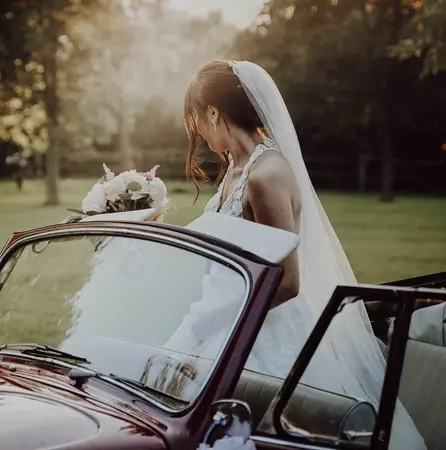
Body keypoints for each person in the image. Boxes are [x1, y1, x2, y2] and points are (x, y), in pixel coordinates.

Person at [175, 60, 425, 450]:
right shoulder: (235, 167)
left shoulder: (267, 174)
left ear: (213, 112)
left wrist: (223, 325)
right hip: (220, 319)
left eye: (197, 120)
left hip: (261, 332)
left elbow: (288, 281)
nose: (198, 132)